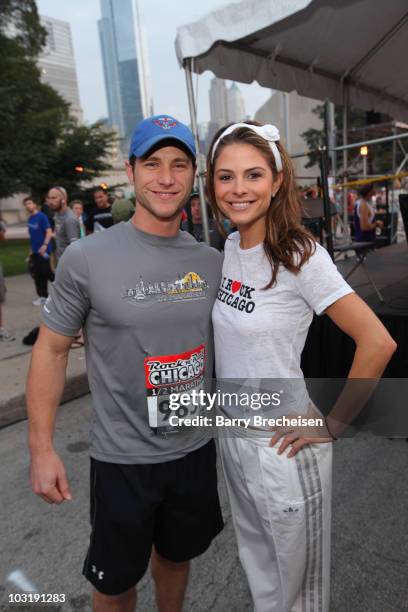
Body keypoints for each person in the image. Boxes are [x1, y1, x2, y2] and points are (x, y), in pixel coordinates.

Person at [27, 114, 224, 612]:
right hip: (122, 462)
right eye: (153, 163)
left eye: (179, 165)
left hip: (193, 453)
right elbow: (50, 350)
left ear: (193, 175)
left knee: (177, 559)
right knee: (115, 584)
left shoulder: (212, 261)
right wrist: (41, 448)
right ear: (130, 170)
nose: (166, 177)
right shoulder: (86, 257)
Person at [207, 121, 397, 612]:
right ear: (211, 184)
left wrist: (333, 422)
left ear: (275, 181)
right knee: (261, 573)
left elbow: (377, 342)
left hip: (283, 446)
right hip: (235, 439)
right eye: (225, 177)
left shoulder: (300, 254)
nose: (238, 189)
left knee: (299, 591)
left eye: (252, 175)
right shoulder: (227, 249)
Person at [23, 196, 55, 305]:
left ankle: (64, 291)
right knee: (37, 274)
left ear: (35, 204)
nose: (28, 206)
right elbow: (32, 237)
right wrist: (30, 253)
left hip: (44, 250)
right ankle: (43, 296)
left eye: (30, 203)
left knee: (46, 272)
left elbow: (49, 231)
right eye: (26, 204)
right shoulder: (30, 219)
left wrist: (45, 245)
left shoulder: (42, 216)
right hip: (35, 252)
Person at [46, 186, 80, 261]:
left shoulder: (69, 219)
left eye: (54, 198)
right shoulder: (57, 215)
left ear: (63, 199)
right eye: (49, 198)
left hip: (69, 265)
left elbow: (75, 248)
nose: (50, 202)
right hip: (62, 263)